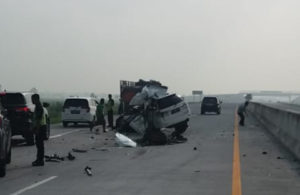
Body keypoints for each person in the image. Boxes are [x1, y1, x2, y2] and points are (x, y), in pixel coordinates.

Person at [31, 94, 47, 166]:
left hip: (40, 127)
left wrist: (37, 129)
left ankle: (40, 160)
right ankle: (39, 159)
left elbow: (39, 119)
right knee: (39, 145)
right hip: (40, 127)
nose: (32, 101)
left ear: (36, 99)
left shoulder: (39, 107)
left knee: (40, 145)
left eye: (33, 99)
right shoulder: (38, 106)